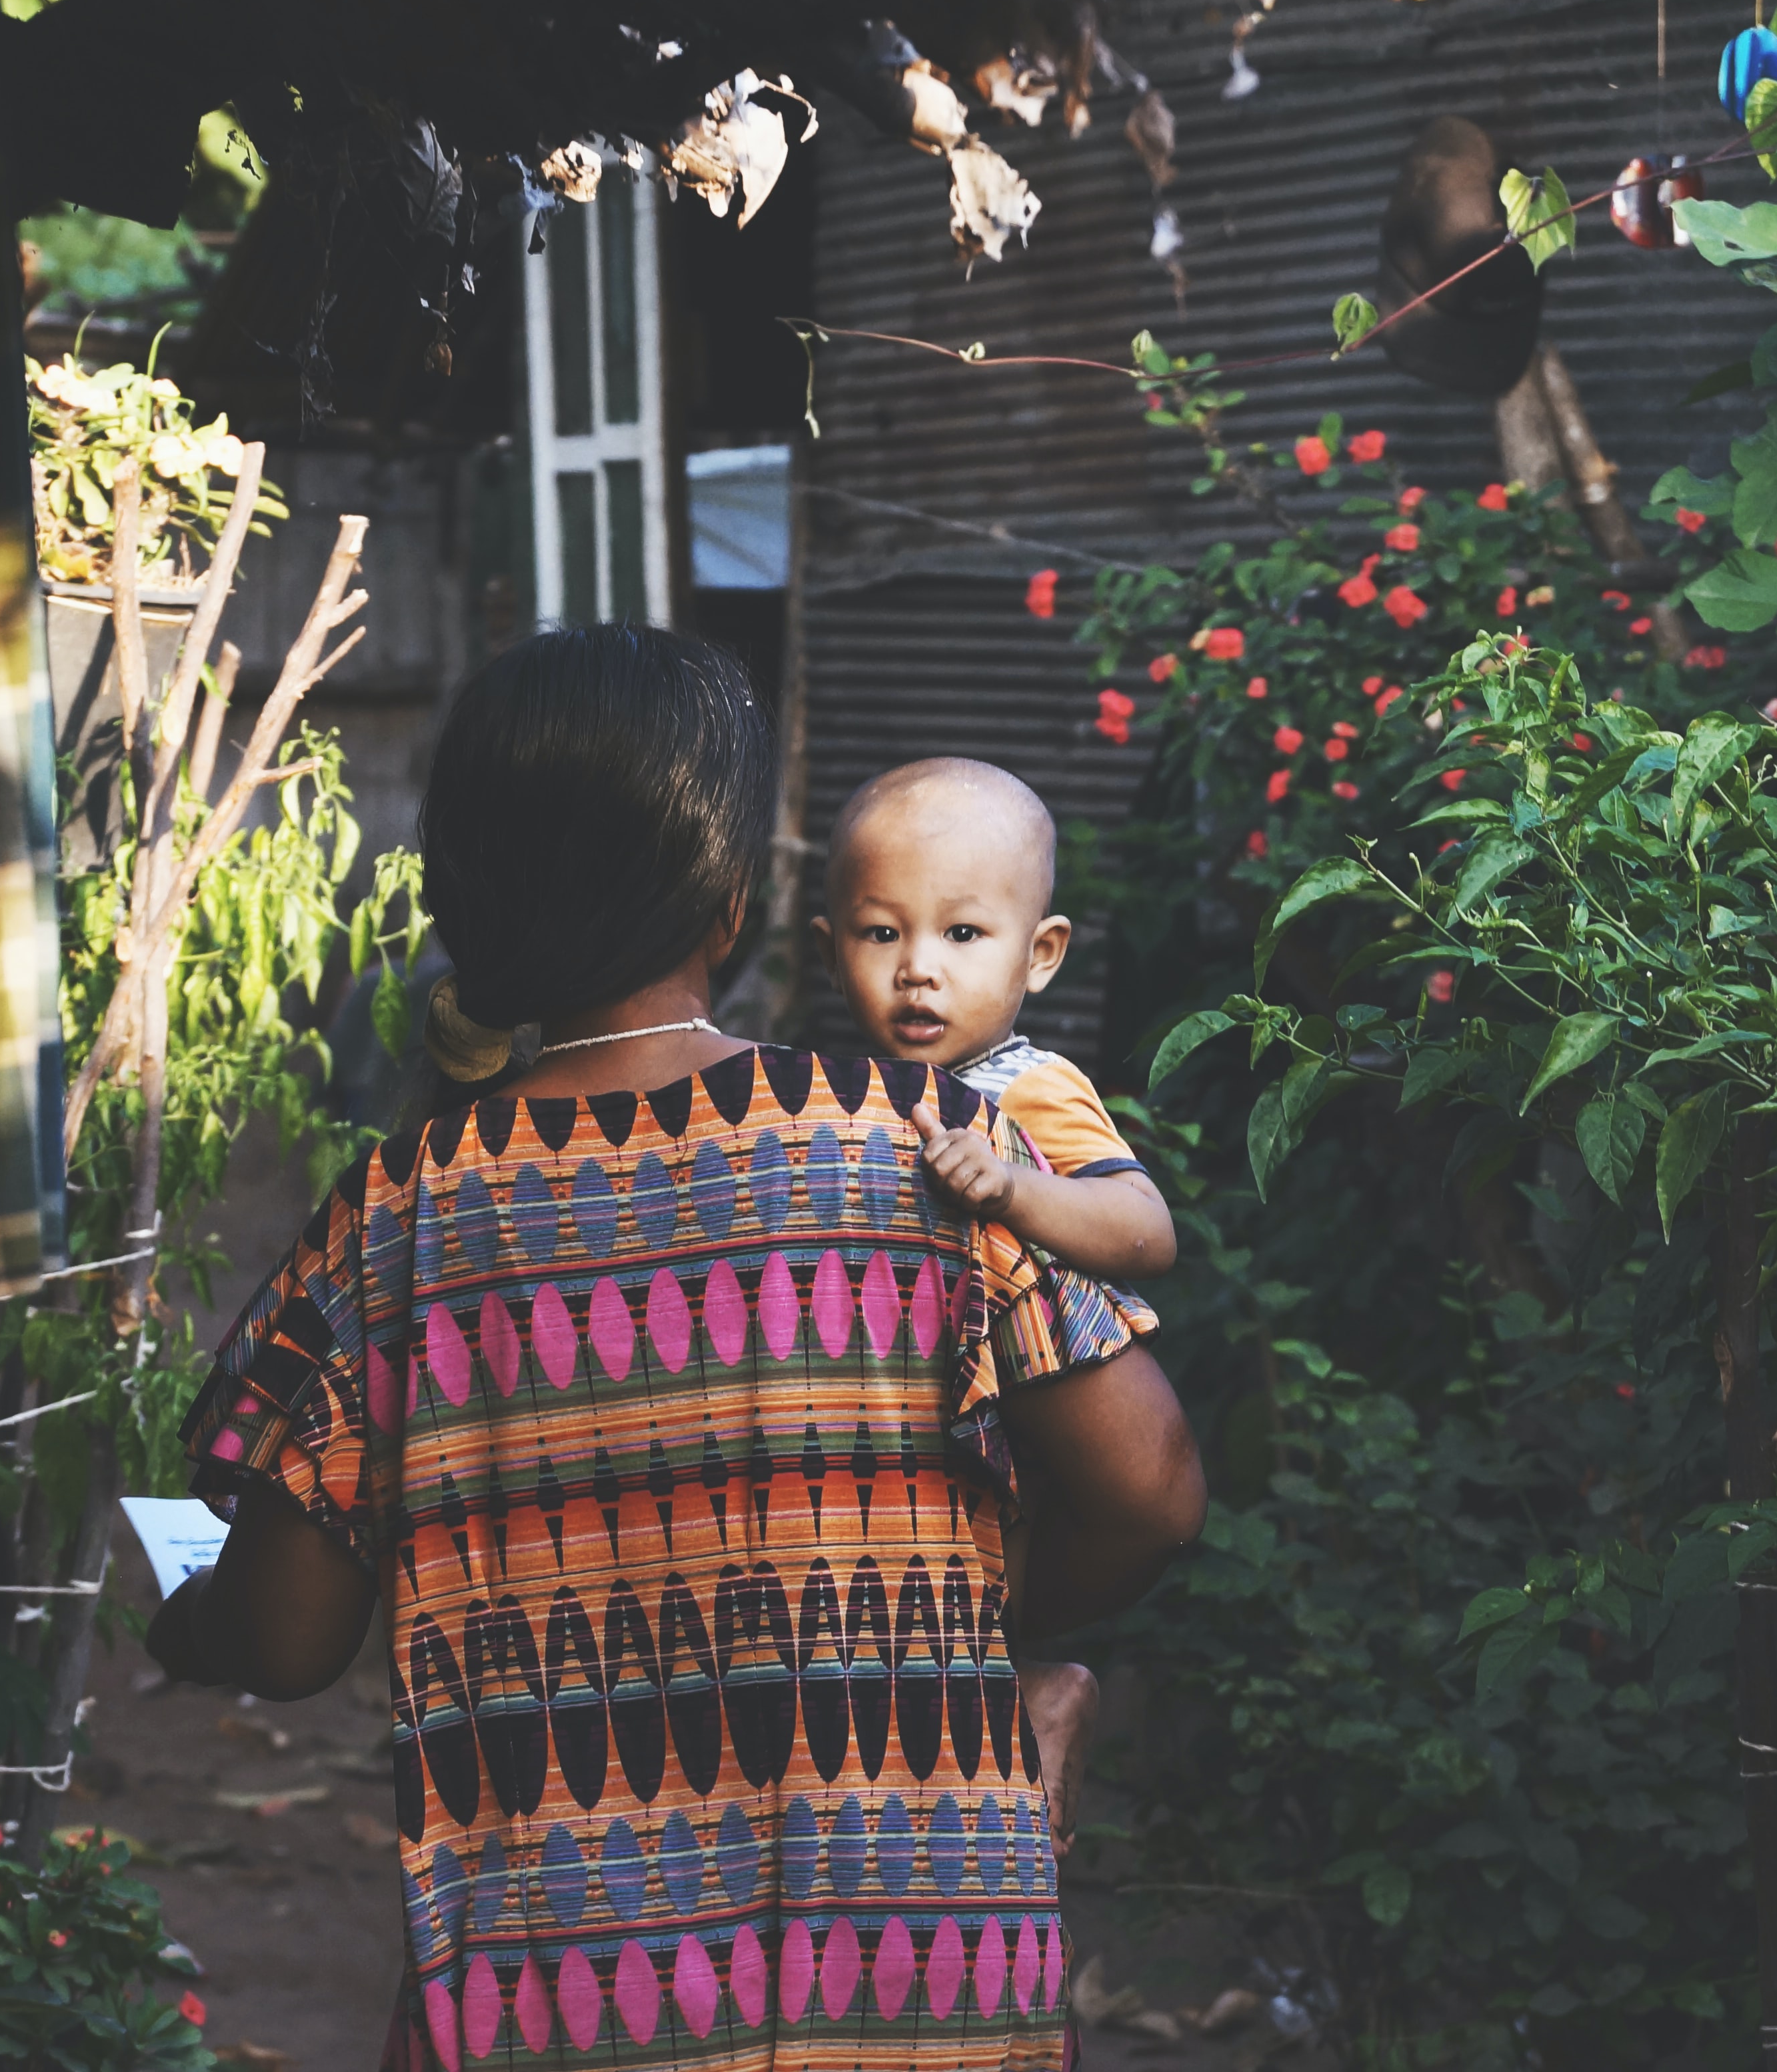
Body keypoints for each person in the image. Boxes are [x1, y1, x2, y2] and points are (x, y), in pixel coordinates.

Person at [147, 628, 1207, 2071]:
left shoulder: (393, 1219)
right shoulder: (919, 1146)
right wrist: (960, 1662)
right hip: (920, 1976)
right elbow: (1146, 1493)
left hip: (558, 2000)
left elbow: (280, 1636)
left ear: (467, 901)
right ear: (733, 899)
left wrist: (179, 1619)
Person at [809, 759, 1181, 1856]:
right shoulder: (842, 1092)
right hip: (894, 1428)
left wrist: (1015, 1182)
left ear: (1042, 952)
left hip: (1015, 1436)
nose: (920, 972)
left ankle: (1036, 1694)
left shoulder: (1028, 1086)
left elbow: (1146, 1227)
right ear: (832, 947)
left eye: (963, 937)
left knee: (942, 1651)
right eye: (883, 935)